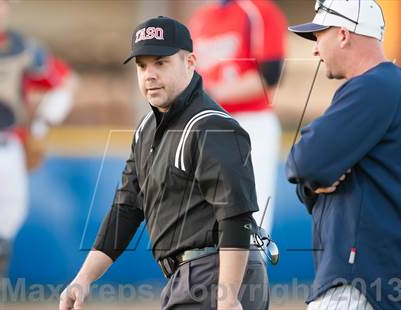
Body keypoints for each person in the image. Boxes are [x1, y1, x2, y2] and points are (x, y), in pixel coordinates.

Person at [59, 16, 269, 310]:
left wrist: (229, 297)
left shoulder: (211, 126)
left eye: (161, 62)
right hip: (188, 278)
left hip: (217, 274)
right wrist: (83, 278)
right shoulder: (147, 129)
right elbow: (127, 208)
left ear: (190, 62)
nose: (149, 74)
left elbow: (236, 216)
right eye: (142, 66)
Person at [286, 0, 401, 309]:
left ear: (343, 35)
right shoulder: (390, 87)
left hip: (361, 281)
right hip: (382, 279)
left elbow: (303, 161)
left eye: (319, 36)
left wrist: (311, 178)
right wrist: (313, 182)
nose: (315, 50)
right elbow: (309, 175)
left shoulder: (376, 85)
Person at [0, 0, 74, 308]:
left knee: (1, 235)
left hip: (9, 145)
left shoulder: (23, 48)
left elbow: (65, 83)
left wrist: (41, 126)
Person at [188, 0, 287, 235]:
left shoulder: (259, 10)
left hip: (251, 122)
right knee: (205, 217)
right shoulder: (200, 18)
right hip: (208, 124)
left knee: (252, 215)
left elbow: (269, 79)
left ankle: (250, 270)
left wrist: (211, 93)